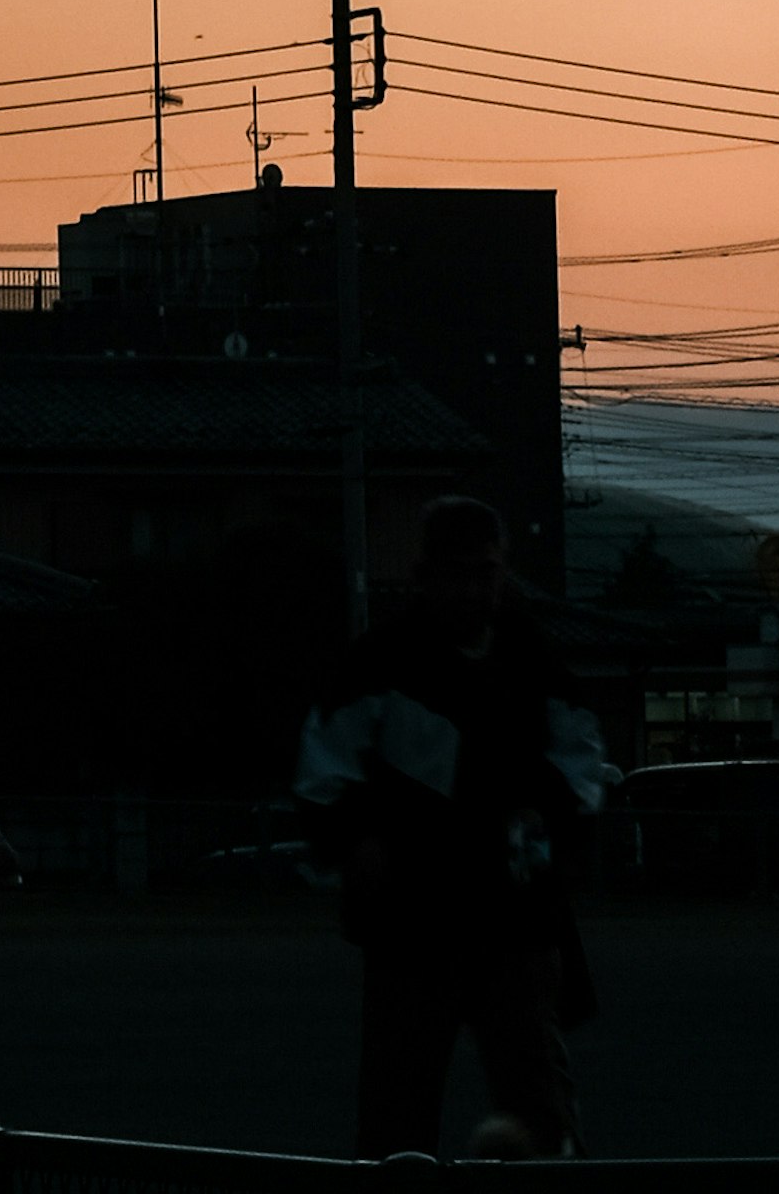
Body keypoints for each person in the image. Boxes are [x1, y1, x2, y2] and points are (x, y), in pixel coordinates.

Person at [294, 493, 611, 1166]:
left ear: (502, 574)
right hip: (413, 917)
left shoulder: (532, 660)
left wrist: (547, 821)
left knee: (535, 1101)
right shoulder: (381, 662)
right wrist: (359, 840)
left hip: (512, 916)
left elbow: (583, 765)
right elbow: (325, 772)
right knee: (399, 1113)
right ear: (424, 575)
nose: (473, 588)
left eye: (485, 572)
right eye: (458, 572)